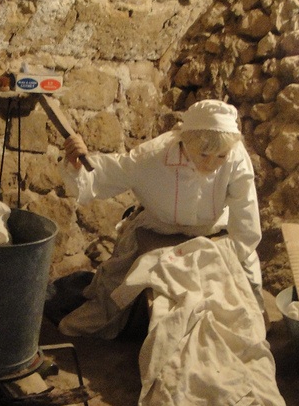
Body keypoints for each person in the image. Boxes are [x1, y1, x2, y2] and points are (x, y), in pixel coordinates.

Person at [57, 98, 265, 339]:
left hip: (214, 234)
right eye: (204, 154)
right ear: (186, 143)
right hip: (159, 229)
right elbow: (103, 175)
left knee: (245, 306)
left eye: (220, 157)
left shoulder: (235, 157)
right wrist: (77, 164)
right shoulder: (153, 156)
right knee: (113, 295)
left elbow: (245, 221)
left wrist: (227, 262)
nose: (211, 164)